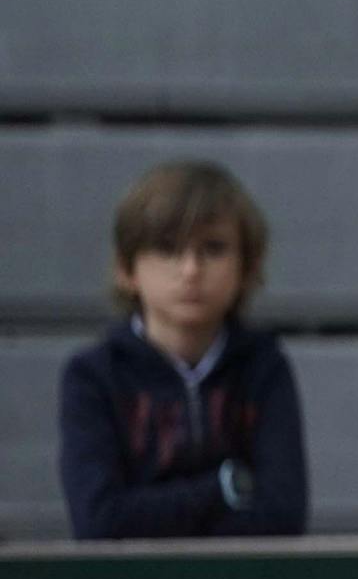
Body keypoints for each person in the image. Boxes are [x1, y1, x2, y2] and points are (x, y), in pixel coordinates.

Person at [59, 160, 310, 540]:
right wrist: (225, 487)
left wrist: (149, 512)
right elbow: (100, 522)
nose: (190, 270)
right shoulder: (93, 376)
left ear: (246, 267)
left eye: (213, 249)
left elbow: (283, 517)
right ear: (128, 270)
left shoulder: (264, 367)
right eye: (166, 248)